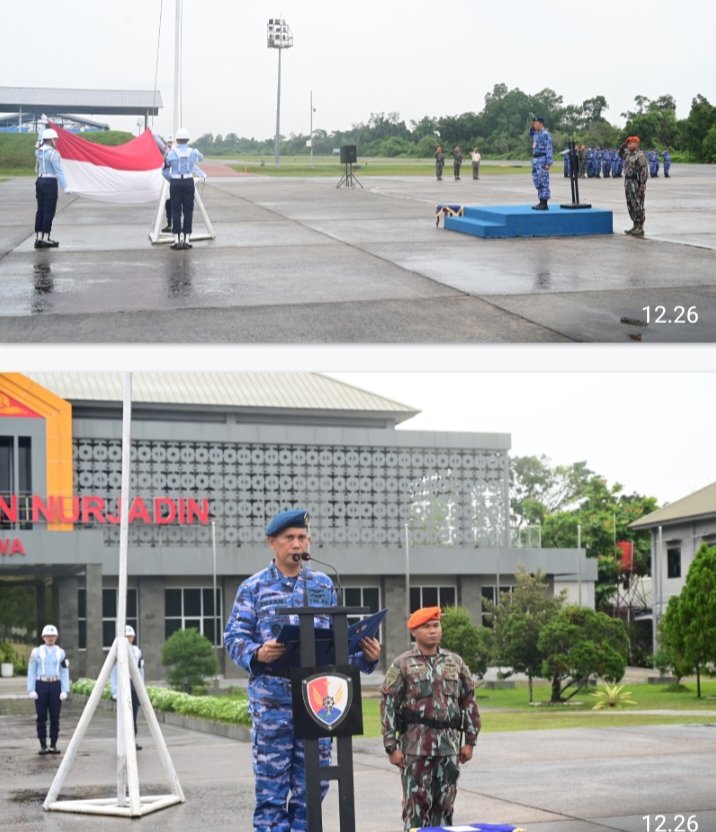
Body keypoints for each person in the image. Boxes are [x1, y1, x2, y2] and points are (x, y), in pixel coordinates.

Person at [224, 509, 381, 832]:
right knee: (271, 789)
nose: (297, 544)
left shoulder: (323, 583)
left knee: (314, 785)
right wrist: (258, 652)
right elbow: (234, 637)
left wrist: (366, 655)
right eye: (290, 538)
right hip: (273, 702)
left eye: (303, 538)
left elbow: (337, 638)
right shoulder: (253, 588)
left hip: (317, 701)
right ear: (272, 543)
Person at [380, 607, 480, 832]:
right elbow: (387, 703)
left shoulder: (455, 662)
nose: (433, 631)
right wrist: (391, 747)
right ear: (414, 632)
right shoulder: (402, 664)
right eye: (426, 627)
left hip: (448, 748)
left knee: (445, 806)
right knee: (416, 808)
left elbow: (468, 701)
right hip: (415, 749)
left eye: (436, 626)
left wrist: (470, 741)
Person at [27, 624, 70, 755]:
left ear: (56, 637)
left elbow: (64, 671)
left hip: (55, 685)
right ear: (43, 637)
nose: (50, 638)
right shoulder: (36, 652)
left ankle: (53, 744)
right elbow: (31, 671)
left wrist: (64, 690)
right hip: (41, 685)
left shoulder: (61, 653)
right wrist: (31, 689)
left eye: (52, 636)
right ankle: (43, 744)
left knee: (55, 716)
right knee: (41, 716)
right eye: (47, 636)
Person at [162, 127, 205, 250]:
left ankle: (176, 240)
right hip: (188, 181)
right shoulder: (193, 152)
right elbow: (201, 158)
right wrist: (197, 151)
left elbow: (164, 171)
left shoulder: (171, 153)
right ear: (188, 139)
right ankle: (186, 239)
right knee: (188, 210)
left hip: (175, 181)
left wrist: (173, 180)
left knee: (175, 210)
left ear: (177, 140)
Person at [34, 128, 72, 249]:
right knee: (49, 211)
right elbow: (59, 172)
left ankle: (38, 238)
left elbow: (37, 145)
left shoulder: (38, 151)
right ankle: (46, 238)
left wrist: (40, 135)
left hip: (39, 181)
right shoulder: (54, 154)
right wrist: (65, 187)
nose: (56, 140)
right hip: (50, 182)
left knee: (40, 210)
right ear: (50, 139)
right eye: (55, 138)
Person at [110, 625, 145, 750]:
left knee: (134, 714)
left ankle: (133, 740)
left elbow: (141, 671)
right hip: (122, 684)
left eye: (131, 637)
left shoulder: (137, 651)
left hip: (133, 684)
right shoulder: (116, 651)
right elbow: (113, 672)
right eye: (127, 636)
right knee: (124, 715)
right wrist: (114, 690)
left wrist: (141, 689)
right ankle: (123, 742)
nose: (129, 639)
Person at [619, 135, 649, 237]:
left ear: (636, 144)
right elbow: (620, 155)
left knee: (637, 204)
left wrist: (642, 185)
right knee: (630, 204)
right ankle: (634, 225)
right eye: (628, 143)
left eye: (630, 143)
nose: (628, 145)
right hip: (628, 182)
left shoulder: (640, 155)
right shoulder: (628, 154)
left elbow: (644, 171)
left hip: (635, 182)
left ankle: (640, 227)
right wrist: (622, 147)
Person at [529, 116, 552, 209]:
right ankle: (540, 201)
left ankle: (544, 202)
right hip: (535, 160)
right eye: (534, 123)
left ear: (541, 124)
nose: (534, 125)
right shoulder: (535, 133)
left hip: (542, 159)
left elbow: (549, 148)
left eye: (536, 123)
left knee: (543, 181)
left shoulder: (546, 134)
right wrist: (533, 125)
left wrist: (548, 162)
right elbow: (530, 132)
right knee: (537, 181)